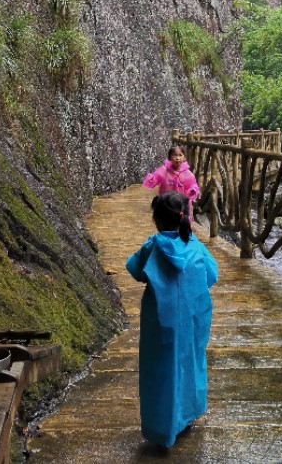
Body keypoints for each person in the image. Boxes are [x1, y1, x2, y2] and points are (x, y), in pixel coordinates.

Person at [125, 192, 218, 448]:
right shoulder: (196, 246)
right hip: (192, 318)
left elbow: (134, 270)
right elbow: (213, 274)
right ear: (185, 217)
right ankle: (185, 415)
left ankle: (161, 426)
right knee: (190, 362)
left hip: (160, 321)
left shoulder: (152, 247)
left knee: (160, 370)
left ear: (156, 220)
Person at [143, 145, 200, 222]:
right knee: (166, 220)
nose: (178, 158)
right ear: (170, 157)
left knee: (182, 222)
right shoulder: (164, 171)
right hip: (166, 202)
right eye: (175, 155)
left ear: (184, 158)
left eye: (180, 155)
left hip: (181, 204)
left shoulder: (188, 174)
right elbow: (156, 177)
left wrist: (192, 190)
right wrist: (152, 180)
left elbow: (193, 184)